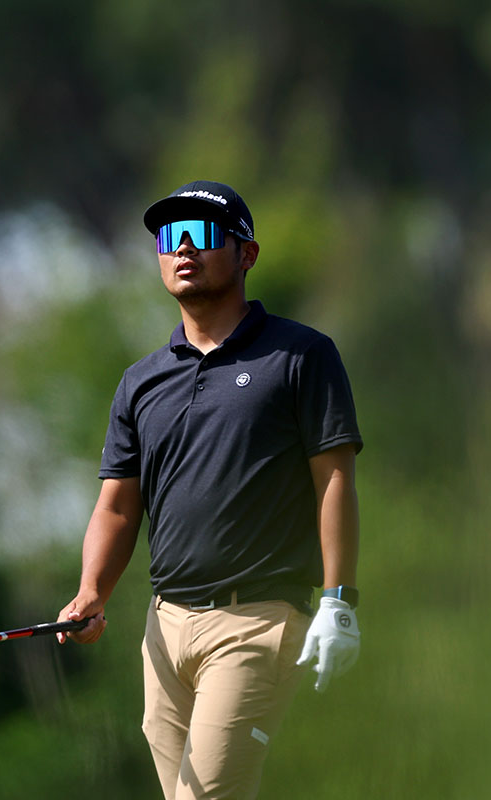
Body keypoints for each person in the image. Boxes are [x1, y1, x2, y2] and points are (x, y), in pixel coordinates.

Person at [56, 180, 363, 799]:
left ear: (246, 254)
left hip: (257, 620)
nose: (183, 249)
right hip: (163, 627)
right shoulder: (141, 381)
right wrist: (92, 591)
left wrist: (340, 599)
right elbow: (117, 506)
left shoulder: (300, 355)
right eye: (170, 238)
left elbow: (334, 479)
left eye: (201, 235)